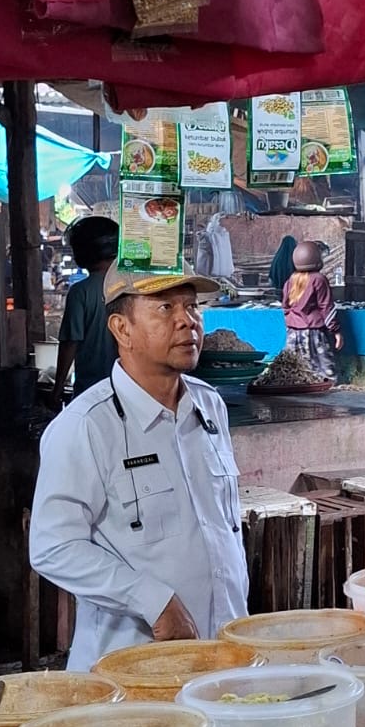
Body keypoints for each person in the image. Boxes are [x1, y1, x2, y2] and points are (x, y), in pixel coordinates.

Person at [30, 262, 249, 671]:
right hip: (132, 671)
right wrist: (153, 600)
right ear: (121, 329)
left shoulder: (209, 406)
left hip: (219, 659)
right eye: (165, 308)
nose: (187, 321)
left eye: (192, 306)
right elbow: (53, 547)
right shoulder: (86, 426)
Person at [54, 216, 119, 400]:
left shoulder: (80, 292)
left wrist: (57, 389)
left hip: (90, 393)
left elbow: (69, 344)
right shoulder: (130, 287)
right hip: (127, 390)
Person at [282, 240, 341, 384]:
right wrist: (336, 331)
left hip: (293, 333)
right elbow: (326, 308)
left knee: (293, 371)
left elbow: (285, 306)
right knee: (325, 371)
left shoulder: (291, 280)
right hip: (314, 333)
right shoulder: (319, 280)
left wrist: (291, 324)